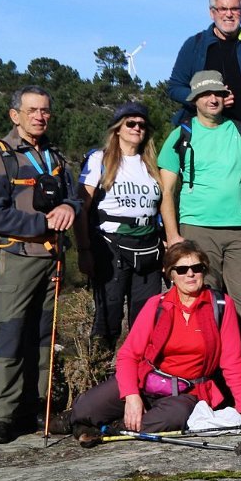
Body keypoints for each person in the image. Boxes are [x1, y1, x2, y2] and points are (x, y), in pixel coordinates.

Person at [69, 241, 241, 445]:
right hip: (146, 381)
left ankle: (110, 429)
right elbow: (129, 355)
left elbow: (232, 360)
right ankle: (81, 418)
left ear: (204, 270)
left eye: (197, 268)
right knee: (86, 407)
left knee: (173, 417)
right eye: (182, 269)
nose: (190, 274)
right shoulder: (156, 305)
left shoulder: (221, 305)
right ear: (170, 274)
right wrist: (132, 396)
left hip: (187, 392)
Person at [0, 86, 82, 445]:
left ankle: (38, 408)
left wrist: (70, 208)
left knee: (43, 338)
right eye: (33, 110)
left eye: (46, 111)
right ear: (14, 115)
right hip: (16, 258)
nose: (40, 116)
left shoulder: (54, 155)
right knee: (10, 337)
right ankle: (1, 416)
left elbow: (72, 198)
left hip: (51, 259)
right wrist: (43, 225)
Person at [158, 71, 241, 377]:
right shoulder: (181, 135)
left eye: (218, 94)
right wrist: (173, 235)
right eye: (206, 94)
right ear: (194, 99)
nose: (213, 99)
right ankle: (205, 379)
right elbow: (166, 189)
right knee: (203, 302)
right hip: (197, 232)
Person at [77, 102, 164, 349]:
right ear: (117, 128)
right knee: (108, 319)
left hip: (148, 249)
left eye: (142, 125)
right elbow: (81, 207)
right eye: (131, 123)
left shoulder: (151, 165)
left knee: (146, 321)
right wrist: (84, 250)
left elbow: (160, 210)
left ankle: (139, 379)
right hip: (110, 247)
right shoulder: (100, 159)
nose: (137, 128)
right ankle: (99, 378)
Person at [167, 0, 241, 157]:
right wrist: (204, 100)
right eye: (223, 9)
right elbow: (174, 87)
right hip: (205, 136)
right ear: (212, 13)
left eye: (235, 8)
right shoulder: (195, 45)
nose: (229, 14)